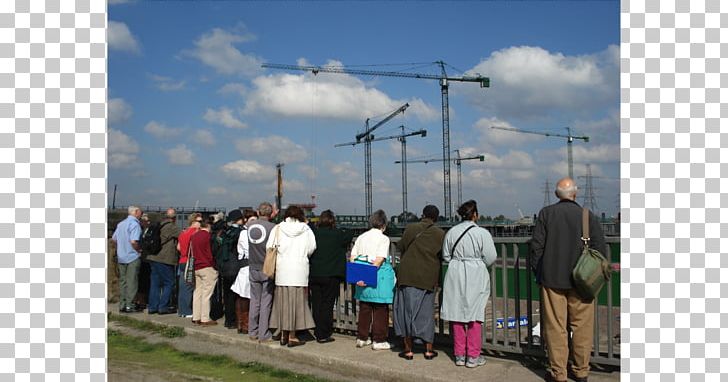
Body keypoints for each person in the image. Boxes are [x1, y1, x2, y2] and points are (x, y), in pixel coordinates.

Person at [530, 177, 607, 382]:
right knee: (581, 328)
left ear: (557, 195)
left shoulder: (546, 214)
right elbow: (600, 250)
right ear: (575, 193)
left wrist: (540, 273)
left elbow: (536, 248)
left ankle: (558, 373)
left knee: (556, 328)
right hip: (582, 282)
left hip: (552, 279)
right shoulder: (587, 216)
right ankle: (581, 371)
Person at [440, 200, 497, 368]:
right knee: (475, 314)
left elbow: (445, 255)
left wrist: (457, 261)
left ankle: (459, 355)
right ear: (475, 214)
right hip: (475, 272)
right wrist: (478, 263)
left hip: (455, 271)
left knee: (456, 313)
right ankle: (473, 356)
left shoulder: (451, 231)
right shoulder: (482, 233)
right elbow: (491, 257)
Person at [393, 205, 445, 360]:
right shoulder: (440, 234)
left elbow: (400, 246)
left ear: (423, 215)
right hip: (428, 278)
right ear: (436, 218)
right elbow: (443, 255)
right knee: (426, 314)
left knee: (405, 312)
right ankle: (428, 350)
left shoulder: (411, 228)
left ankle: (408, 350)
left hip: (408, 275)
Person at [267, 205, 317, 347]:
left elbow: (270, 246)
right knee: (296, 304)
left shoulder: (278, 228)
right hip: (299, 271)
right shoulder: (306, 229)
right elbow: (311, 248)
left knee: (282, 304)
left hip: (283, 271)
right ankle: (292, 336)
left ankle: (283, 333)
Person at [350, 209, 396, 351]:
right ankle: (379, 340)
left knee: (365, 308)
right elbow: (379, 259)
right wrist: (368, 276)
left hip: (360, 277)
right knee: (380, 309)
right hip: (378, 278)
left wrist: (359, 277)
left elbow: (352, 257)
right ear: (383, 224)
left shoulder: (361, 237)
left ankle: (362, 337)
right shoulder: (384, 238)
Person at [308, 210, 354, 343]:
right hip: (331, 274)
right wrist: (343, 228)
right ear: (332, 221)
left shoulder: (314, 234)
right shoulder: (337, 234)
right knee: (327, 304)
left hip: (315, 273)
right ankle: (324, 333)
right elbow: (349, 234)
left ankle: (317, 330)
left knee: (316, 303)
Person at [246, 202, 277, 342]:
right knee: (266, 301)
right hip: (267, 267)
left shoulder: (249, 226)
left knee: (254, 300)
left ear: (258, 212)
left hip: (252, 266)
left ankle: (252, 331)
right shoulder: (273, 228)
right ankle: (263, 333)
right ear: (271, 213)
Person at [146, 208, 180, 315]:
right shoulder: (172, 227)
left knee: (155, 283)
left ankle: (152, 307)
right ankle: (163, 306)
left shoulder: (158, 225)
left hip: (153, 257)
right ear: (174, 218)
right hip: (165, 259)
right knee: (169, 283)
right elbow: (184, 236)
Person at [218, 209, 247, 330]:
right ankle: (237, 320)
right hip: (236, 266)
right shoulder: (241, 232)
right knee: (237, 295)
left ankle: (228, 320)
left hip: (225, 266)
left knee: (228, 294)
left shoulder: (225, 232)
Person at [111, 205, 143, 313]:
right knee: (132, 282)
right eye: (140, 212)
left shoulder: (121, 224)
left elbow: (114, 239)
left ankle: (122, 304)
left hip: (121, 256)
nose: (141, 214)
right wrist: (138, 250)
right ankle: (131, 304)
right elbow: (134, 241)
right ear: (136, 212)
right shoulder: (135, 224)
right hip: (132, 256)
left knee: (123, 281)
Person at [231, 209, 258, 334]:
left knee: (243, 296)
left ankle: (242, 324)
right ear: (246, 220)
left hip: (246, 266)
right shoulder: (245, 233)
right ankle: (244, 324)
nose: (254, 222)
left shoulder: (246, 232)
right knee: (245, 297)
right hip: (247, 267)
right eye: (251, 220)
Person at [190, 220, 219, 326]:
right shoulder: (208, 236)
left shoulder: (194, 236)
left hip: (196, 265)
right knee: (207, 294)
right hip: (207, 266)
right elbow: (210, 252)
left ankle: (196, 316)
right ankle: (205, 318)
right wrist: (214, 265)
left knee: (197, 292)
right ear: (208, 226)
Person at [177, 212, 203, 318]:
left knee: (183, 286)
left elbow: (178, 247)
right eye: (200, 221)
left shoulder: (183, 232)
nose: (201, 223)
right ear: (193, 221)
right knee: (190, 286)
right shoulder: (195, 233)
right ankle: (187, 310)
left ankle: (182, 309)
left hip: (182, 260)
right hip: (191, 261)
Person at [133, 214, 152, 311]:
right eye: (146, 221)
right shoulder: (141, 231)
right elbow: (135, 242)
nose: (147, 223)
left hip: (142, 258)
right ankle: (141, 301)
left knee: (142, 280)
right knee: (143, 281)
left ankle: (140, 300)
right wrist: (139, 250)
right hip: (143, 257)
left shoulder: (143, 230)